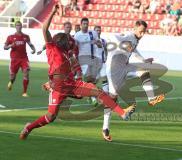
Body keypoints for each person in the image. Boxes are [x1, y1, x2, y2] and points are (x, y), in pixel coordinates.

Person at [19, 5, 136, 140]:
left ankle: (122, 113)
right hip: (58, 88)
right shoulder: (52, 48)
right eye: (67, 42)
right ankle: (28, 127)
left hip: (68, 85)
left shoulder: (67, 55)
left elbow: (63, 72)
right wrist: (52, 12)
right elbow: (44, 29)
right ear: (60, 42)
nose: (69, 44)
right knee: (50, 117)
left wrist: (53, 81)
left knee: (97, 92)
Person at [102, 20, 165, 141]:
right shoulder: (128, 36)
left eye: (144, 32)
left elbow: (134, 51)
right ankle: (105, 128)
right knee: (112, 99)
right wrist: (125, 45)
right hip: (114, 69)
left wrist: (143, 60)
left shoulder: (135, 39)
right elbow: (112, 36)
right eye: (141, 31)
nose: (142, 34)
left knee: (143, 70)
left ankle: (151, 98)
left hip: (124, 66)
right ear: (135, 29)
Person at [74, 17, 102, 105]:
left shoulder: (93, 33)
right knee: (88, 79)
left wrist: (97, 43)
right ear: (81, 24)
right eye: (84, 24)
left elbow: (99, 44)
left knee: (93, 79)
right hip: (82, 59)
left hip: (93, 59)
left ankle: (90, 96)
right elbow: (75, 47)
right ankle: (93, 97)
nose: (85, 26)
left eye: (87, 24)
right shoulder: (77, 35)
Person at [4, 21, 36, 97]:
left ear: (21, 27)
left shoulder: (26, 36)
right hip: (14, 59)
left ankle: (24, 92)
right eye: (17, 25)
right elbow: (5, 47)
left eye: (20, 25)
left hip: (24, 58)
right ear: (15, 27)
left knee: (26, 73)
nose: (19, 27)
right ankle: (11, 82)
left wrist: (34, 49)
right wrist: (10, 45)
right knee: (13, 76)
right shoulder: (10, 37)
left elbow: (30, 44)